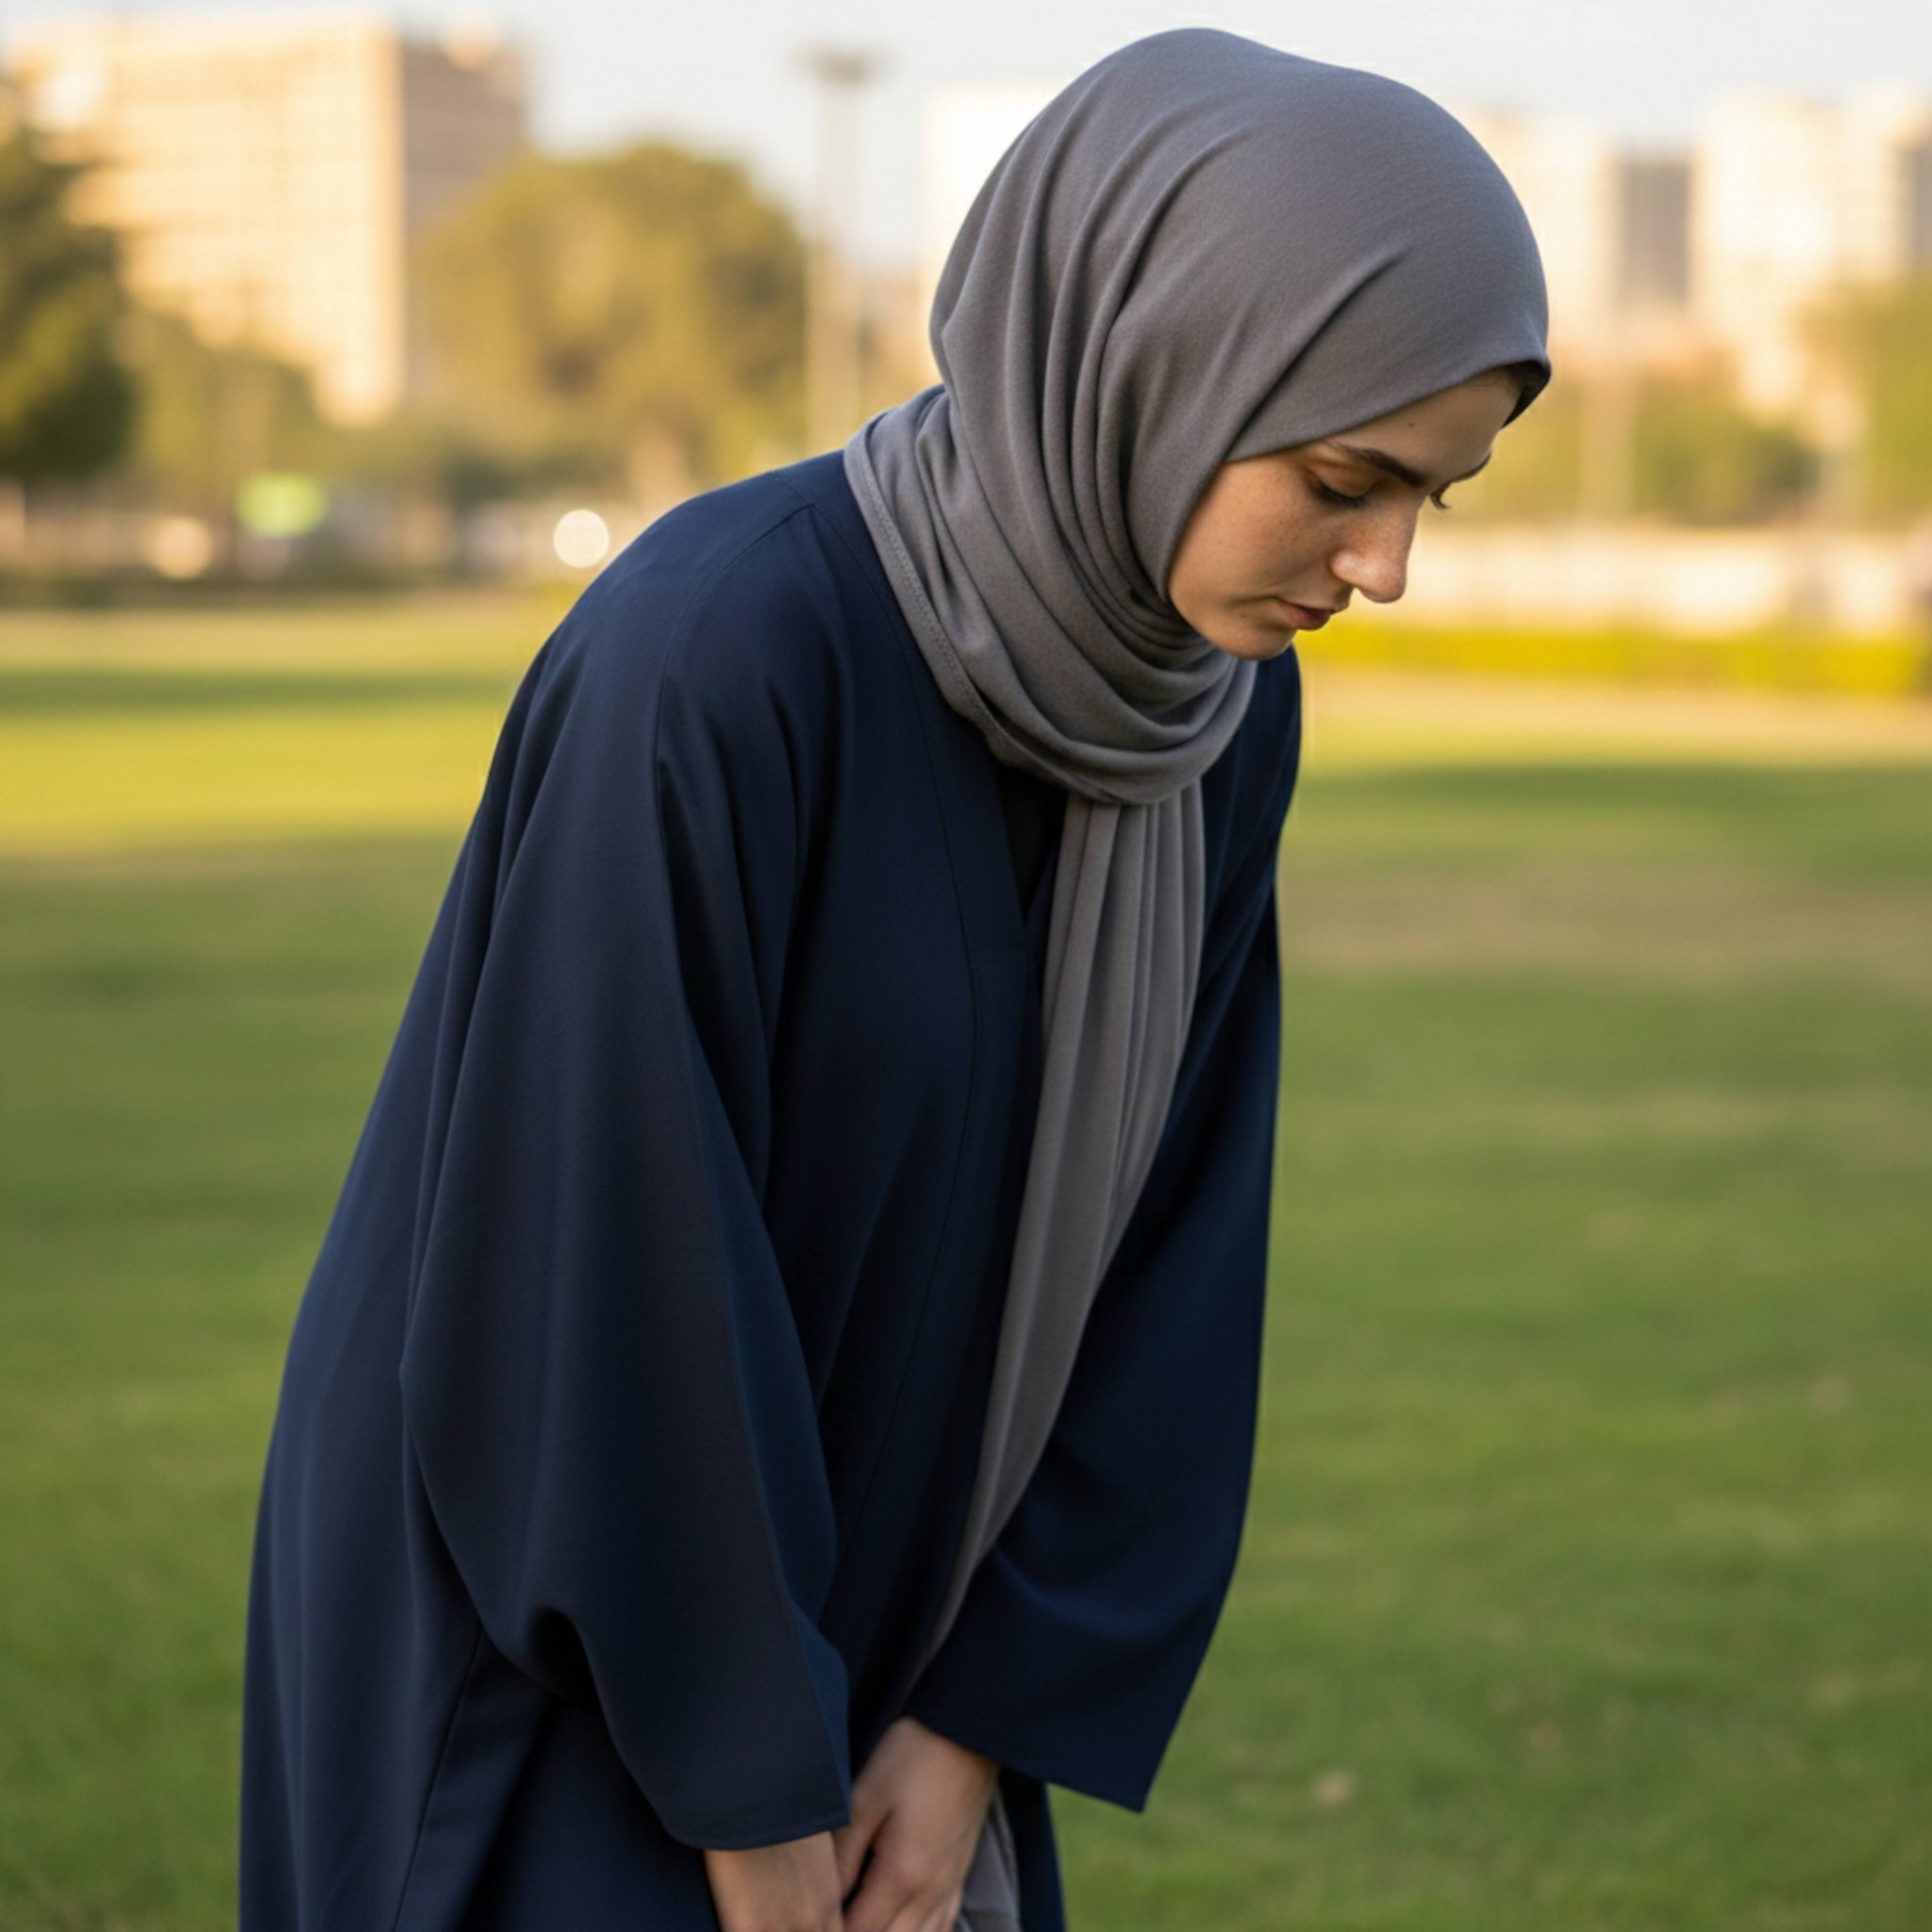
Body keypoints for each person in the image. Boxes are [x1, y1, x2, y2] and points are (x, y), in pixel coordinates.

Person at [240, 29, 1547, 1932]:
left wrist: (968, 1721)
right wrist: (751, 1786)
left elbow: (1170, 1252)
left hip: (910, 1633)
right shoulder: (719, 651)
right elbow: (602, 1261)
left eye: (1442, 493)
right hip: (552, 1633)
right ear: (1147, 358)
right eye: (1347, 476)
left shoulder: (1208, 719)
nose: (1389, 565)